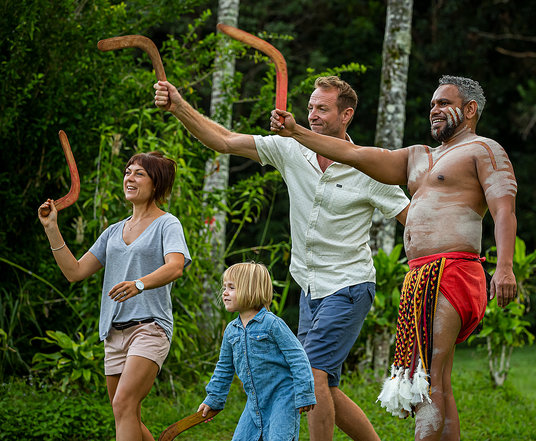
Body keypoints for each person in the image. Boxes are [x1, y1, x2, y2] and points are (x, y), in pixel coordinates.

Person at [154, 75, 409, 441]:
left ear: (346, 114)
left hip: (350, 285)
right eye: (310, 108)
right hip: (309, 288)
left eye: (322, 108)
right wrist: (178, 105)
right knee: (326, 385)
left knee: (312, 373)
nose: (313, 115)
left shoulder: (368, 166)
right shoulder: (291, 151)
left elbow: (411, 218)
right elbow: (223, 140)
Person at [270, 75, 518, 441]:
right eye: (432, 103)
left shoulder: (483, 150)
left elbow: (504, 210)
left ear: (469, 110)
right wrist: (297, 133)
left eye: (444, 103)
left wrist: (506, 267)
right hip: (422, 275)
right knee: (438, 379)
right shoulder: (421, 156)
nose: (434, 109)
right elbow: (355, 154)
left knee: (427, 378)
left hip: (452, 270)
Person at [38, 151, 191, 441]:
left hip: (150, 328)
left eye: (138, 173)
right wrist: (52, 229)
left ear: (155, 184)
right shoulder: (112, 232)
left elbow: (175, 266)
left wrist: (139, 284)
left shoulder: (167, 224)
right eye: (127, 171)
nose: (129, 178)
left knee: (123, 404)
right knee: (126, 413)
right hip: (114, 333)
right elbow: (75, 271)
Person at [198, 262, 316, 440]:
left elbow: (298, 357)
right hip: (254, 402)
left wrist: (304, 393)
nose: (224, 293)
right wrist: (213, 399)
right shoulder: (231, 330)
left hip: (282, 398)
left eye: (231, 287)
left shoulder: (272, 324)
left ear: (251, 289)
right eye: (224, 287)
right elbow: (224, 367)